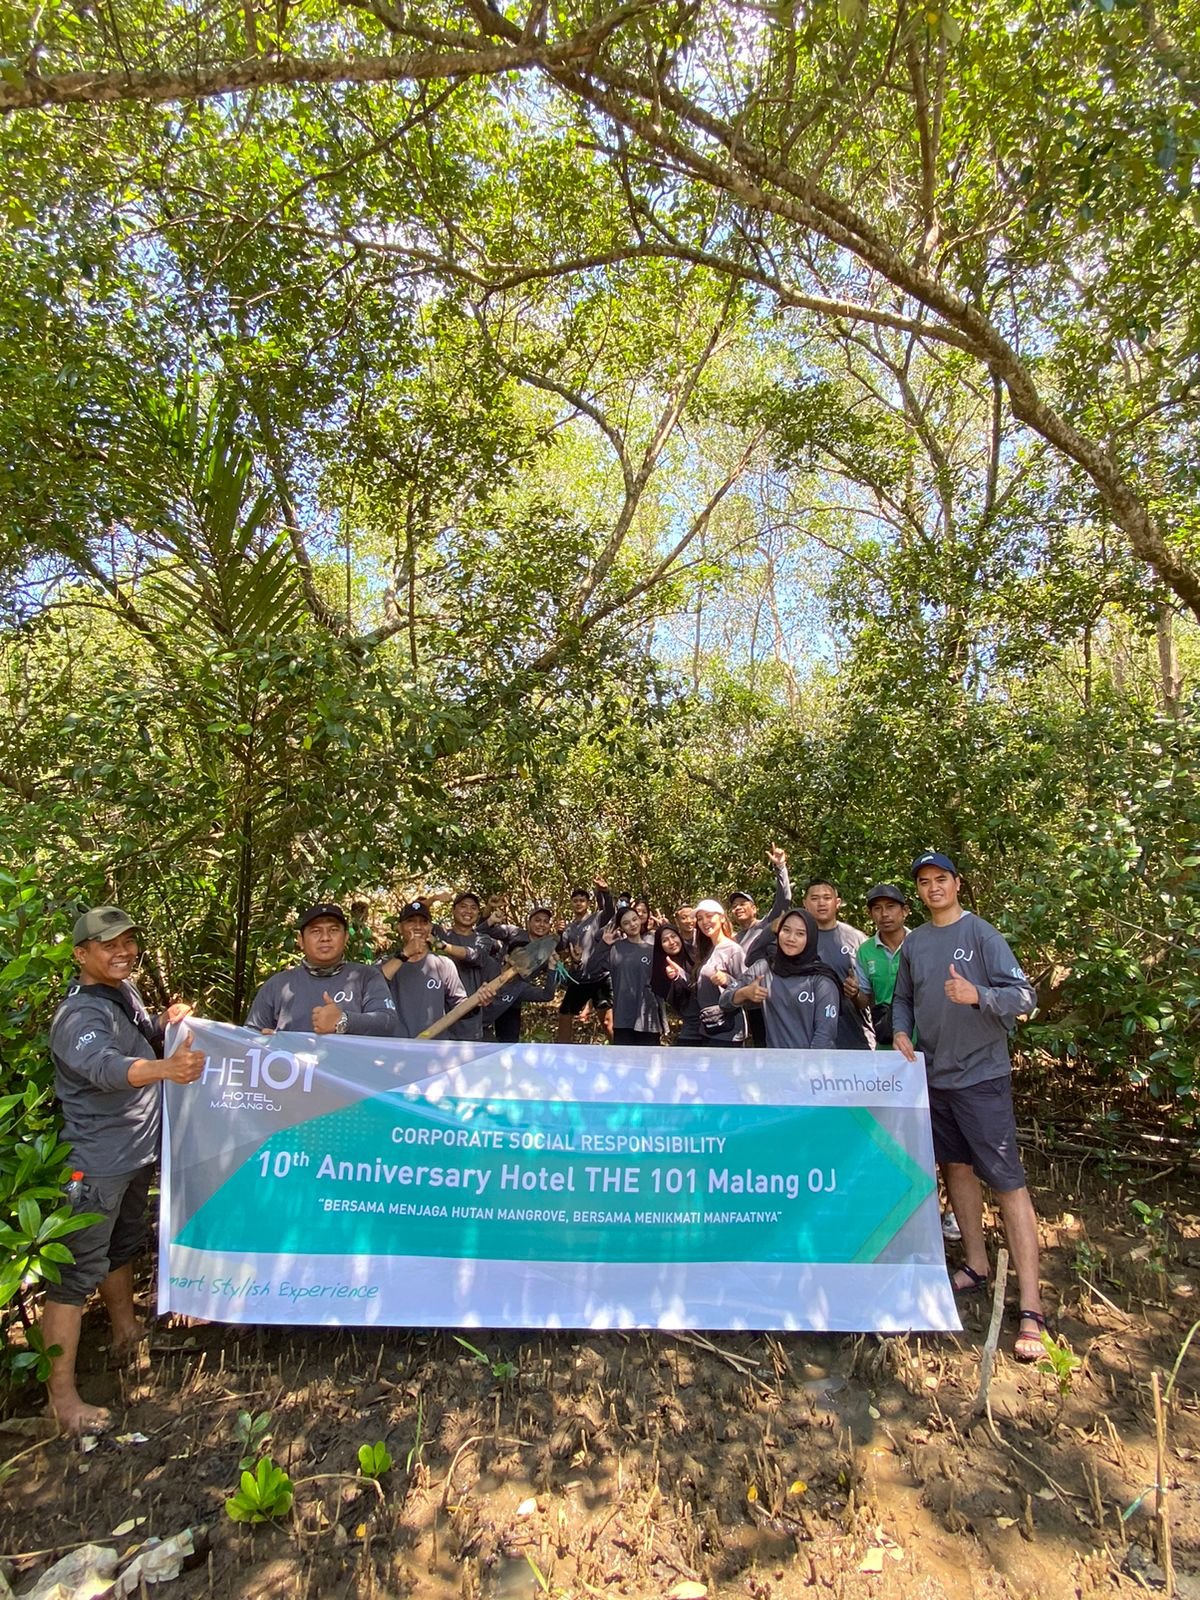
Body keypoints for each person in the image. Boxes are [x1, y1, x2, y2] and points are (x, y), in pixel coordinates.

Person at [42, 906, 206, 1435]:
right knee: (72, 1278)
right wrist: (164, 1069)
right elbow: (106, 1068)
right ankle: (61, 1403)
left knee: (121, 1245)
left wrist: (167, 1024)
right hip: (97, 1163)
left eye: (129, 942)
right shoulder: (77, 1017)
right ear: (81, 954)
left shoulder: (122, 994)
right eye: (109, 945)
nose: (123, 952)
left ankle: (126, 1333)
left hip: (135, 1155)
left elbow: (136, 1040)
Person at [891, 852, 1044, 1362]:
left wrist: (977, 993)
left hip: (982, 1078)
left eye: (941, 880)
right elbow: (904, 998)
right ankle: (976, 1264)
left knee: (1007, 1182)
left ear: (956, 884)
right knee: (955, 1168)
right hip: (934, 1079)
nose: (933, 888)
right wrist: (899, 1029)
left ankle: (1031, 1307)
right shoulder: (914, 942)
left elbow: (1024, 996)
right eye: (924, 882)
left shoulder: (982, 934)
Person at [245, 903, 397, 1036]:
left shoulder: (366, 976)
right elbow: (249, 1037)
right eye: (316, 931)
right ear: (300, 940)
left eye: (333, 930)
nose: (325, 937)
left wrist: (343, 1021)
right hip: (292, 1068)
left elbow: (387, 1022)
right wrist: (264, 1041)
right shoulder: (278, 984)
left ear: (345, 938)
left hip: (349, 1068)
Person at [721, 909, 840, 1049]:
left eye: (800, 934)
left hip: (810, 1066)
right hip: (774, 1063)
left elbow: (825, 1035)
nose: (791, 938)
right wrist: (744, 993)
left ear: (811, 938)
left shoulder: (821, 979)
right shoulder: (764, 968)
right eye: (786, 930)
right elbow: (724, 1001)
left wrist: (809, 1067)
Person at [802, 879, 874, 1050]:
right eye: (814, 898)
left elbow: (872, 996)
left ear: (837, 903)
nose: (821, 903)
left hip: (854, 1036)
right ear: (805, 903)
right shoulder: (796, 940)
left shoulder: (857, 940)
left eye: (827, 897)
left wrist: (855, 993)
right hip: (809, 1038)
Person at [730, 845, 791, 1044]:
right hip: (746, 1004)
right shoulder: (735, 938)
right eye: (734, 906)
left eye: (742, 904)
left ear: (754, 908)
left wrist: (780, 867)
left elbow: (784, 900)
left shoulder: (767, 924)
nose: (738, 908)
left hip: (769, 1000)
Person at [379, 900, 467, 1036]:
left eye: (423, 922)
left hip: (434, 1049)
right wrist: (405, 954)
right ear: (399, 927)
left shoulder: (444, 964)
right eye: (411, 921)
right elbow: (373, 987)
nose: (418, 927)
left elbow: (460, 1005)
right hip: (395, 1048)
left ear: (430, 928)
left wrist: (480, 999)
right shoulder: (386, 963)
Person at [584, 905, 666, 1045]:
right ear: (621, 928)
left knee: (647, 1063)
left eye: (634, 919)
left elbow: (663, 987)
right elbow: (591, 969)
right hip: (623, 1018)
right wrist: (604, 944)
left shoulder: (653, 950)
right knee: (624, 1064)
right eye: (626, 923)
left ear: (640, 920)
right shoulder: (615, 948)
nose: (632, 924)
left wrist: (663, 1021)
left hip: (648, 1018)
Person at [433, 892, 503, 1041]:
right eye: (463, 906)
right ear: (453, 910)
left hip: (469, 1020)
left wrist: (441, 946)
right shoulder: (442, 933)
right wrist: (433, 899)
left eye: (473, 908)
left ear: (478, 913)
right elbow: (413, 918)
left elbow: (475, 956)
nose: (468, 911)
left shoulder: (483, 939)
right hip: (437, 1015)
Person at [679, 900, 747, 1047]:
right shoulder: (706, 950)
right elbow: (701, 988)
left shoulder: (733, 950)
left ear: (722, 918)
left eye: (709, 916)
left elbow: (747, 988)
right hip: (708, 1028)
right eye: (700, 918)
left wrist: (727, 979)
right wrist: (679, 974)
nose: (704, 922)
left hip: (728, 1031)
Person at [556, 880, 615, 1043]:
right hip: (579, 978)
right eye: (575, 901)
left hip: (600, 977)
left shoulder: (597, 918)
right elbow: (561, 949)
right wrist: (559, 933)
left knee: (607, 1022)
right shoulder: (569, 928)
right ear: (571, 904)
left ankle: (621, 1054)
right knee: (564, 1014)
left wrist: (605, 892)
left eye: (582, 900)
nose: (578, 903)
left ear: (588, 903)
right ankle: (562, 1054)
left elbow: (610, 911)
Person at [488, 907, 557, 1043]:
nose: (541, 925)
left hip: (512, 1002)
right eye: (537, 920)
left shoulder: (547, 948)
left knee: (508, 1044)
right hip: (483, 1008)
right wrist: (489, 917)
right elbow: (481, 931)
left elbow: (548, 995)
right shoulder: (489, 967)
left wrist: (552, 967)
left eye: (545, 922)